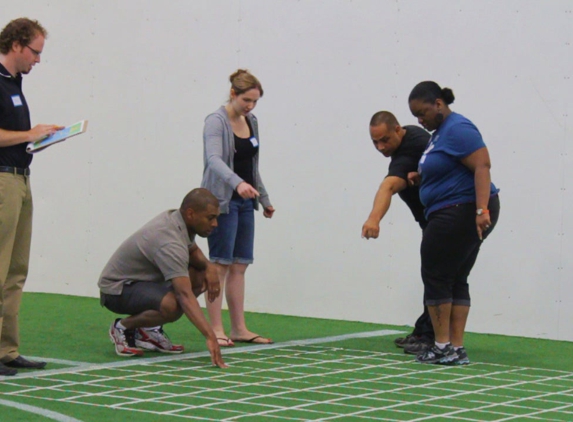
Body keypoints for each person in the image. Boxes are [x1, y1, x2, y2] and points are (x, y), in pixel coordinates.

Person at [407, 81, 500, 365]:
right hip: (458, 209)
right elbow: (450, 167)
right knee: (456, 277)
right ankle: (455, 348)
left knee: (436, 275)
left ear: (438, 103)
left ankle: (442, 346)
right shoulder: (441, 133)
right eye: (416, 117)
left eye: (422, 113)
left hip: (458, 210)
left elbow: (482, 165)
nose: (420, 121)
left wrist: (481, 209)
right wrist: (421, 177)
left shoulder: (458, 128)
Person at [98, 188, 227, 368]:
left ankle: (148, 330)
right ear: (191, 214)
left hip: (144, 283)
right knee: (172, 306)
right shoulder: (169, 241)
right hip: (116, 289)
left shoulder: (179, 221)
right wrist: (210, 336)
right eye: (210, 218)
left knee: (199, 274)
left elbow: (192, 250)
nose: (215, 224)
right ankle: (123, 326)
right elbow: (184, 296)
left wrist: (209, 267)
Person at [0, 18, 64, 376]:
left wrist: (37, 139)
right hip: (3, 182)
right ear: (17, 45)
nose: (38, 60)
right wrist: (28, 132)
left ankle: (7, 350)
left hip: (21, 179)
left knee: (15, 269)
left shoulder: (14, 83)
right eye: (35, 52)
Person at [201, 69, 275, 347]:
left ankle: (239, 328)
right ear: (233, 93)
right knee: (219, 264)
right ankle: (216, 328)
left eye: (255, 101)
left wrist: (263, 199)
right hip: (221, 200)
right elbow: (214, 160)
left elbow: (252, 166)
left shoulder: (252, 121)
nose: (250, 106)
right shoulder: (215, 121)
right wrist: (237, 184)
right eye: (246, 100)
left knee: (240, 265)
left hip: (246, 202)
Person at [361, 111, 434, 355]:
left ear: (398, 130)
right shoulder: (412, 138)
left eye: (384, 140)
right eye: (374, 142)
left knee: (439, 277)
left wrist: (374, 219)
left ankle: (433, 337)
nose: (381, 147)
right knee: (435, 274)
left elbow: (388, 186)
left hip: (446, 219)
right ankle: (425, 330)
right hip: (432, 220)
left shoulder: (412, 147)